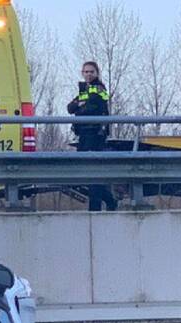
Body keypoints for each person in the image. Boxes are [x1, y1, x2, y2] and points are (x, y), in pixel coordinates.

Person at [67, 61, 116, 212]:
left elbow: (92, 107)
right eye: (86, 71)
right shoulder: (85, 90)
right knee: (86, 172)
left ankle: (96, 208)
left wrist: (80, 106)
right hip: (84, 134)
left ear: (97, 73)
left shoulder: (99, 88)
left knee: (93, 172)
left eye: (91, 72)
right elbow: (70, 108)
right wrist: (81, 105)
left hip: (95, 134)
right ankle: (109, 201)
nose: (88, 74)